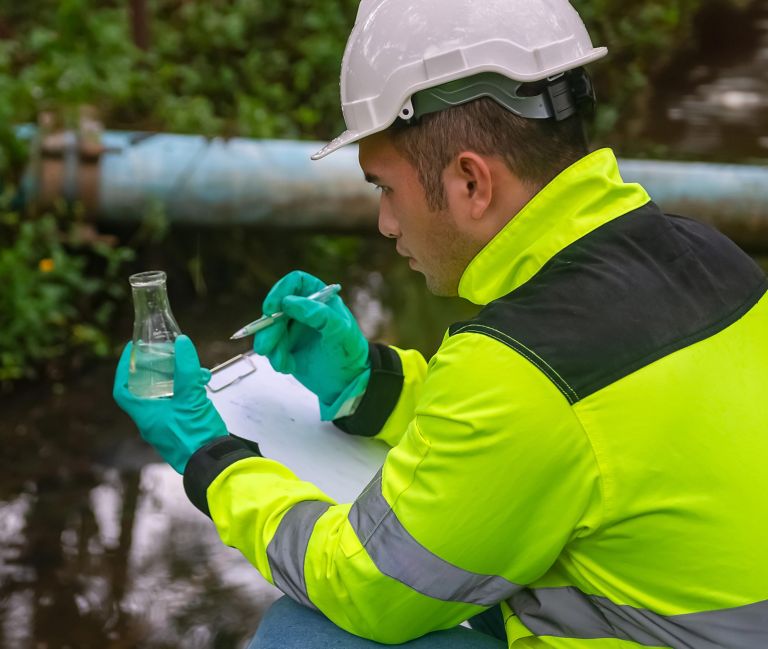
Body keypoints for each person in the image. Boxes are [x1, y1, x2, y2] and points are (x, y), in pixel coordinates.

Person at [113, 0, 768, 647]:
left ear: (471, 183)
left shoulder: (520, 369)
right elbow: (561, 425)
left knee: (304, 636)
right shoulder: (708, 256)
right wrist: (367, 384)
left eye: (385, 188)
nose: (385, 223)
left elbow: (364, 581)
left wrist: (211, 455)